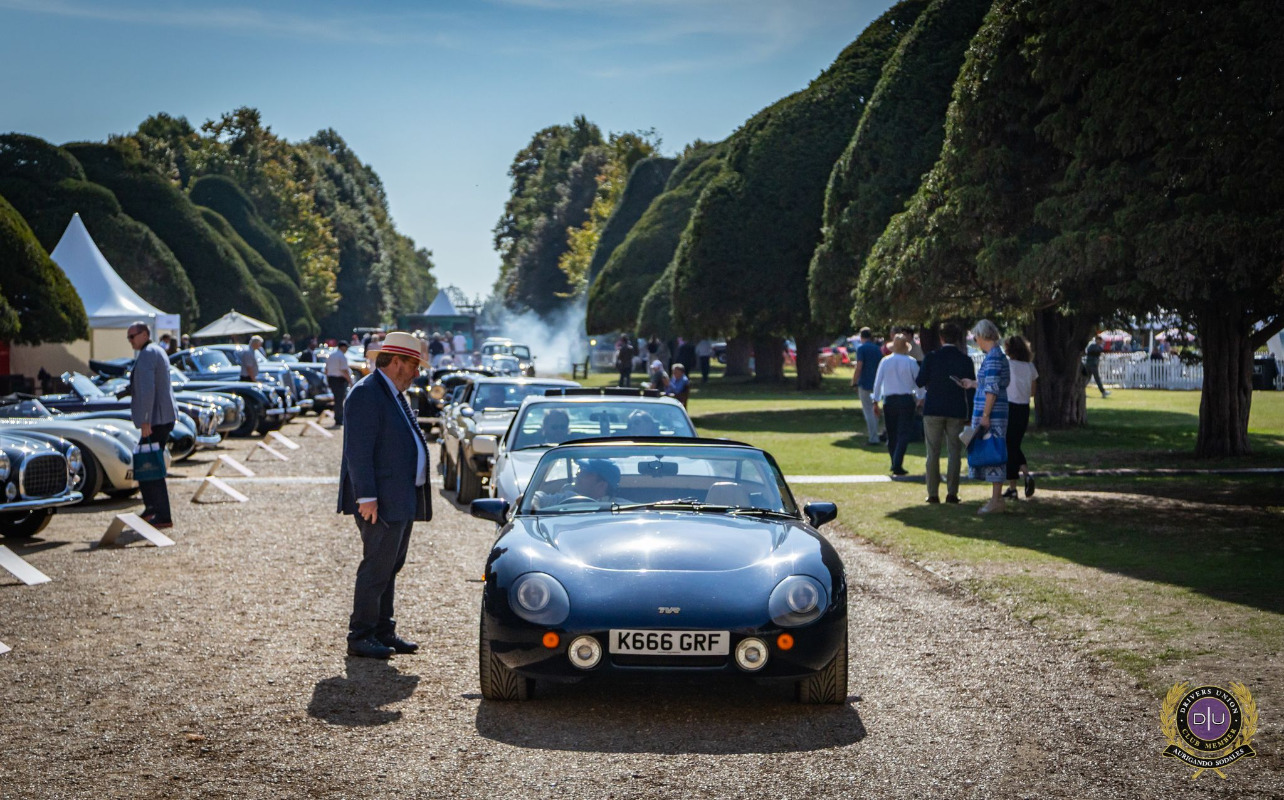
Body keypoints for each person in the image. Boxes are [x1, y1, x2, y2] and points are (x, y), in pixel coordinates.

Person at [337, 332, 433, 659]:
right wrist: (366, 496)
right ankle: (361, 635)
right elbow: (358, 451)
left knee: (390, 566)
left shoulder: (390, 392)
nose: (417, 373)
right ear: (396, 363)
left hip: (399, 496)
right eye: (414, 365)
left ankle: (382, 630)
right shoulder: (366, 393)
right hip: (380, 500)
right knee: (376, 567)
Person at [127, 322, 179, 529]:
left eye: (132, 336)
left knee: (150, 465)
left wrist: (146, 419)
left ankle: (162, 514)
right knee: (144, 461)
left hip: (156, 419)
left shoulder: (148, 353)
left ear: (144, 334)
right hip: (162, 417)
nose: (130, 340)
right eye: (128, 337)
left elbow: (148, 389)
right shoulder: (156, 350)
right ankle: (151, 509)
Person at [916, 322, 975, 504]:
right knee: (954, 452)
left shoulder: (932, 357)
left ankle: (933, 493)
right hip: (956, 409)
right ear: (957, 339)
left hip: (933, 408)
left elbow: (919, 381)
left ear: (941, 338)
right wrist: (970, 413)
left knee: (932, 452)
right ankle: (952, 493)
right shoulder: (965, 360)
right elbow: (971, 390)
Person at [959, 320, 1010, 514]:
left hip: (993, 414)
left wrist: (986, 415)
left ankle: (996, 500)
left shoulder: (994, 357)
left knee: (994, 451)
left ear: (982, 336)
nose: (975, 341)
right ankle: (996, 499)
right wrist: (973, 383)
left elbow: (992, 389)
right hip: (993, 412)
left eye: (976, 337)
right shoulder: (995, 356)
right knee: (993, 450)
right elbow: (989, 383)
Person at [871, 335, 922, 476]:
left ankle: (894, 460)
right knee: (903, 433)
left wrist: (875, 400)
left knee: (892, 433)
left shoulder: (885, 361)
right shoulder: (911, 362)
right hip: (906, 399)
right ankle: (897, 462)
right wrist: (920, 397)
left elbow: (878, 383)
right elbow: (918, 382)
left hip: (889, 400)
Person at [1004, 335, 1038, 500]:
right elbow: (1033, 391)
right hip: (1024, 408)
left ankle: (1016, 483)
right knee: (1014, 445)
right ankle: (1021, 479)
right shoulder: (1030, 367)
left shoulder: (1008, 365)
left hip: (1010, 406)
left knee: (1009, 446)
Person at [532, 459, 623, 509]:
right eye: (580, 470)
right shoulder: (567, 497)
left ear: (601, 485)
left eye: (586, 472)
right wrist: (534, 508)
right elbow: (536, 497)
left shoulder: (620, 506)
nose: (578, 474)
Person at [852, 327, 884, 446]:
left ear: (861, 337)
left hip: (865, 382)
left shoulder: (861, 349)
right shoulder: (877, 349)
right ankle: (875, 433)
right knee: (875, 408)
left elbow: (859, 366)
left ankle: (873, 437)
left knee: (868, 410)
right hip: (876, 383)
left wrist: (854, 381)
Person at [326, 340, 354, 427]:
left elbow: (326, 369)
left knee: (337, 399)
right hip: (339, 380)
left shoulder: (331, 355)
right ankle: (339, 419)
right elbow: (344, 370)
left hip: (331, 378)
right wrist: (350, 381)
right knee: (339, 400)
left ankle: (338, 417)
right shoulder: (341, 356)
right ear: (343, 347)